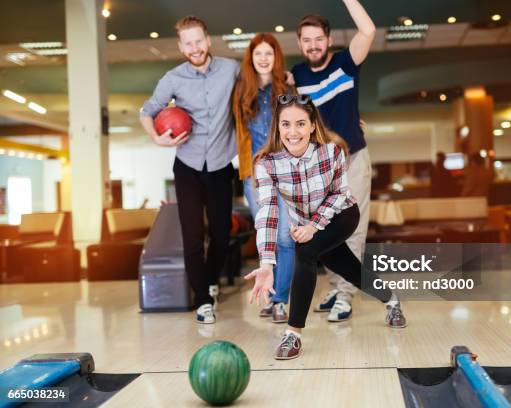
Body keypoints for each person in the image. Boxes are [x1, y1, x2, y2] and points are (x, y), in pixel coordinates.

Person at [245, 94, 406, 360]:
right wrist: (266, 262)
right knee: (351, 269)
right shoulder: (267, 164)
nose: (292, 132)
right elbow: (268, 214)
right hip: (307, 226)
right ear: (277, 127)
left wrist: (313, 226)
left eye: (300, 124)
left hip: (341, 214)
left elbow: (339, 194)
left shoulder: (330, 151)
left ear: (311, 126)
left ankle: (293, 334)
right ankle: (391, 300)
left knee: (305, 252)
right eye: (285, 124)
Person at [139, 16, 239, 325]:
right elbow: (147, 111)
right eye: (188, 43)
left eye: (198, 41)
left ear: (208, 41)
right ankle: (203, 300)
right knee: (192, 237)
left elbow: (261, 81)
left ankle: (209, 280)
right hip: (187, 166)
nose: (194, 47)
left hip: (222, 163)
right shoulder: (172, 79)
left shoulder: (231, 69)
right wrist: (156, 137)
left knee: (222, 235)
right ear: (181, 47)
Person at [291, 0, 376, 323]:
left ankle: (345, 294)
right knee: (324, 231)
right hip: (321, 168)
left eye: (318, 39)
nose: (313, 45)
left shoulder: (346, 63)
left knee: (352, 228)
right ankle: (337, 285)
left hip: (352, 158)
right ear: (300, 43)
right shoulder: (297, 76)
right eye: (306, 40)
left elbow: (367, 30)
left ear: (328, 39)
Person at [232, 33, 293, 323]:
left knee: (284, 237)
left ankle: (280, 299)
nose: (264, 58)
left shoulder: (288, 86)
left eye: (269, 53)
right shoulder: (241, 90)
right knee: (265, 237)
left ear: (276, 57)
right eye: (259, 54)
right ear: (251, 59)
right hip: (254, 175)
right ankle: (271, 295)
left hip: (285, 171)